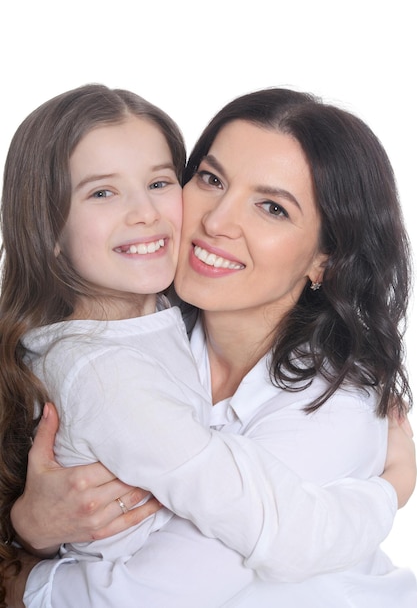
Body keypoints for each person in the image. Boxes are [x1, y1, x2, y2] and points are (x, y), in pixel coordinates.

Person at [3, 88, 417, 607]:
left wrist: (391, 487)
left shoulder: (333, 406)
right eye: (211, 179)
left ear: (324, 262)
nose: (217, 221)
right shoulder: (139, 340)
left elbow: (158, 595)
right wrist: (31, 527)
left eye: (272, 208)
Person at [0, 83, 216, 602]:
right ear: (49, 227)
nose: (145, 212)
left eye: (160, 182)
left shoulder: (183, 317)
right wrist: (28, 529)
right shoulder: (95, 368)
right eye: (102, 192)